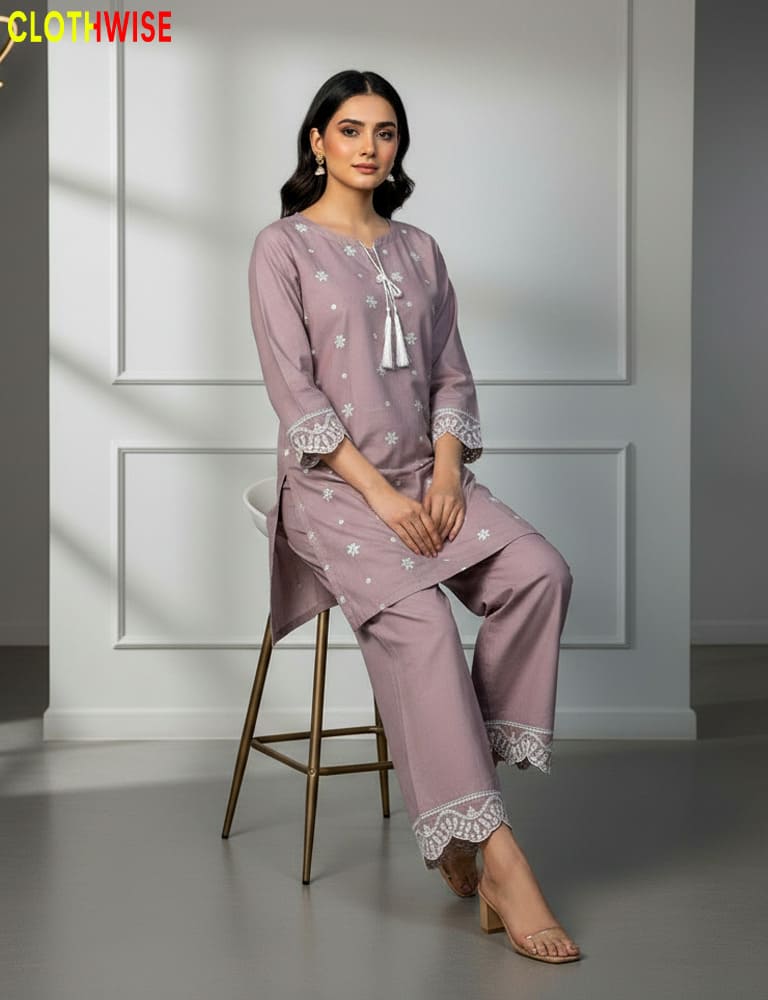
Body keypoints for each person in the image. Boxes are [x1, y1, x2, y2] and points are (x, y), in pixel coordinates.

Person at [247, 69, 581, 964]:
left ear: (398, 147)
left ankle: (458, 792)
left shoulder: (421, 249)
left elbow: (451, 374)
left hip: (424, 474)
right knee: (427, 629)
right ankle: (500, 860)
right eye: (349, 128)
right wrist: (384, 496)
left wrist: (440, 474)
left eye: (385, 132)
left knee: (540, 573)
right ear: (317, 140)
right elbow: (297, 392)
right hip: (333, 489)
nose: (367, 146)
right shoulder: (281, 248)